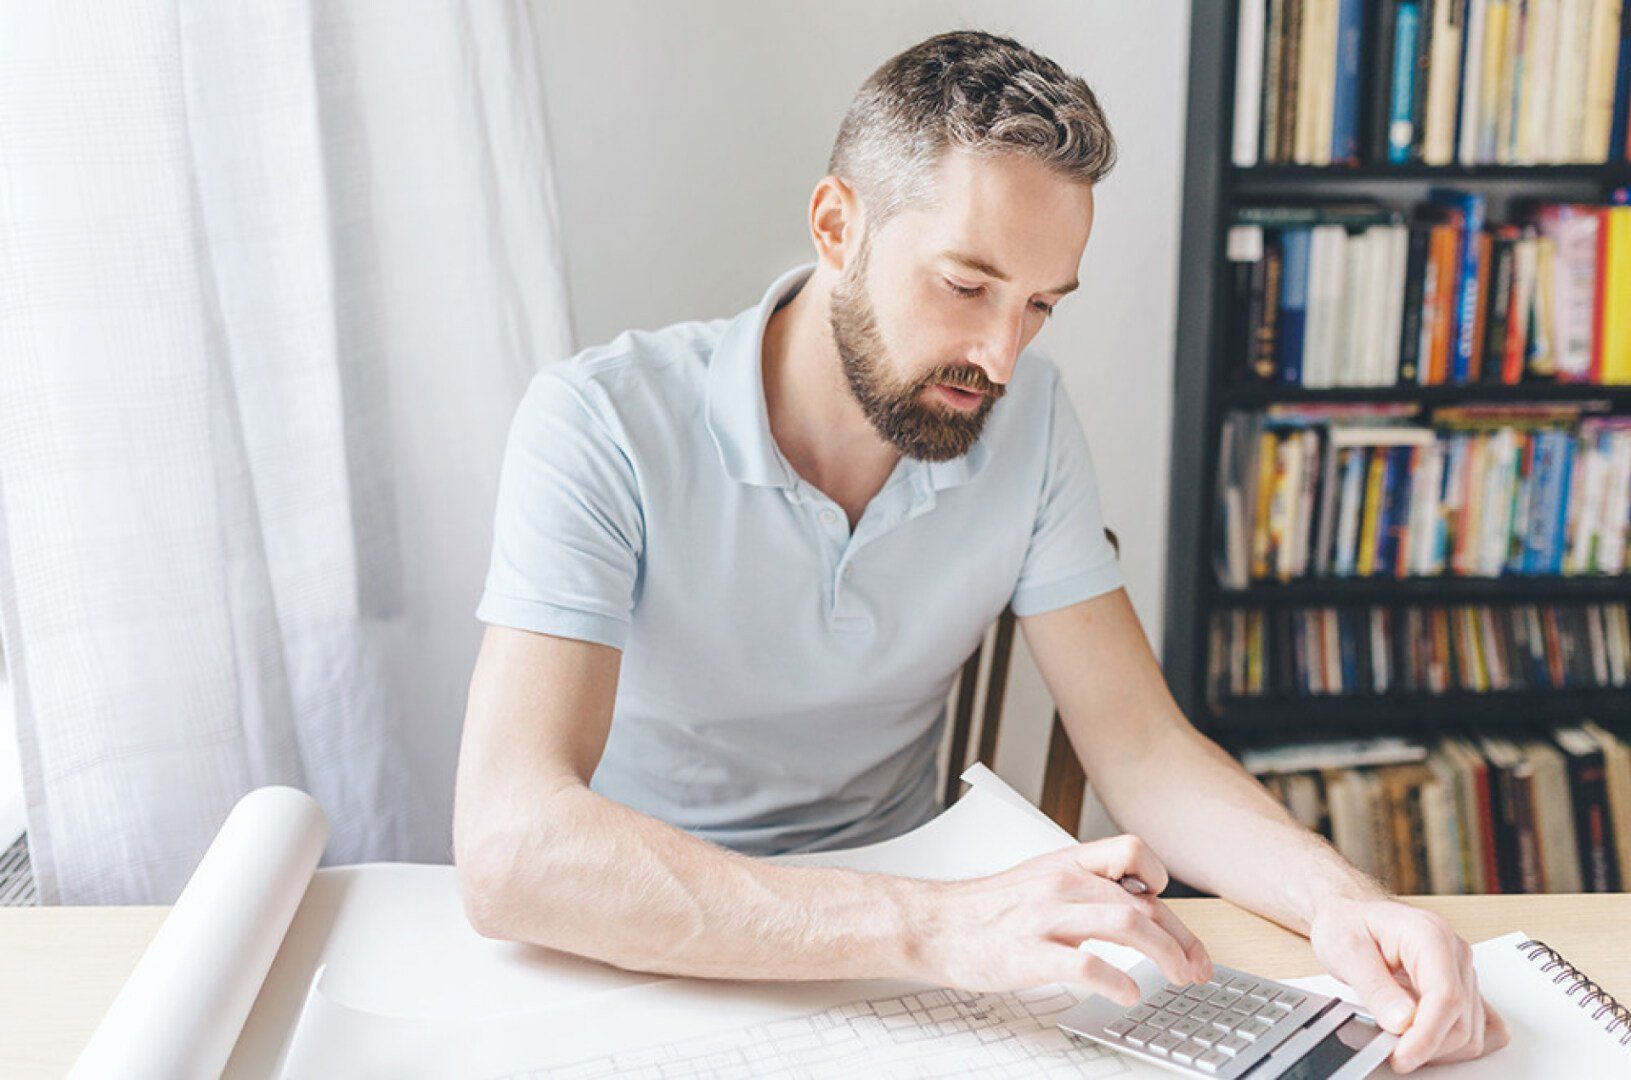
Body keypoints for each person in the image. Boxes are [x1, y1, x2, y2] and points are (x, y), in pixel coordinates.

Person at [453, 30, 1506, 1073]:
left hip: (910, 960)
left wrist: (1344, 902)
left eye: (1039, 304)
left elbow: (1138, 746)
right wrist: (936, 925)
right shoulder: (598, 423)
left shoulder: (1028, 416)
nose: (1000, 356)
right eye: (965, 286)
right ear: (835, 226)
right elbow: (512, 850)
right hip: (652, 937)